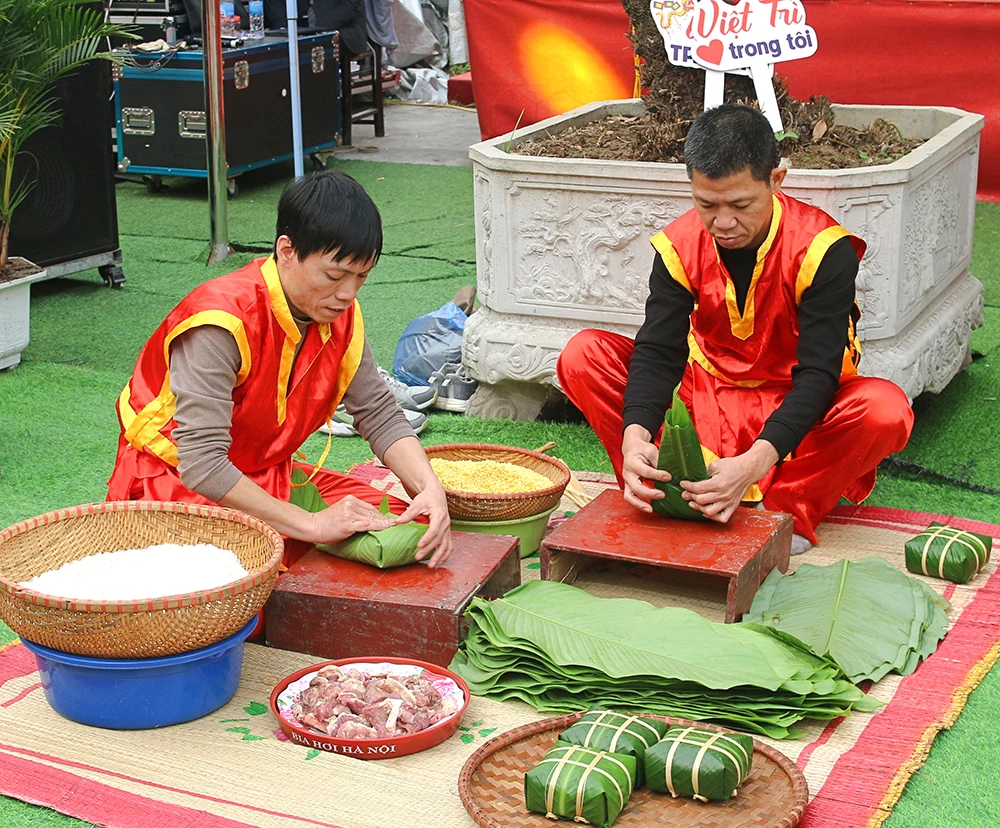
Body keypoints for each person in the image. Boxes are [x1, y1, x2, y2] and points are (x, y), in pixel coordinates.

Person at [557, 104, 914, 555]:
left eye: (740, 204)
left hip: (797, 399)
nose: (723, 223)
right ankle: (658, 487)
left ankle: (786, 509)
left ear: (776, 181)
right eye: (707, 204)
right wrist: (634, 437)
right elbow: (658, 351)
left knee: (885, 409)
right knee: (583, 354)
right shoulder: (678, 244)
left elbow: (820, 374)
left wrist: (755, 461)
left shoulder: (824, 249)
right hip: (706, 390)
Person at [108, 170, 452, 570]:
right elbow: (202, 465)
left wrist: (429, 488)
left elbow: (377, 411)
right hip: (174, 486)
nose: (348, 294)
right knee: (255, 587)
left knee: (407, 522)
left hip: (267, 476)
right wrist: (312, 524)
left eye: (362, 277)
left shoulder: (339, 313)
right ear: (286, 250)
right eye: (335, 275)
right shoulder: (220, 321)